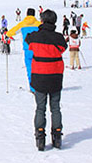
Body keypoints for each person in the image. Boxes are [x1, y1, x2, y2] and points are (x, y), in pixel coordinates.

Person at [25, 9, 67, 151]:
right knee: (55, 107)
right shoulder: (59, 38)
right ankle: (57, 136)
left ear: (42, 20)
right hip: (55, 76)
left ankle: (40, 135)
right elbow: (63, 48)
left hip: (39, 76)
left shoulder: (35, 36)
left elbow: (28, 40)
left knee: (40, 108)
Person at [6, 8, 41, 91]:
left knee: (30, 68)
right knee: (39, 68)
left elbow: (11, 32)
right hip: (39, 49)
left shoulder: (22, 24)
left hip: (27, 49)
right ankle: (40, 86)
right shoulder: (39, 24)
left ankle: (32, 88)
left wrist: (7, 35)